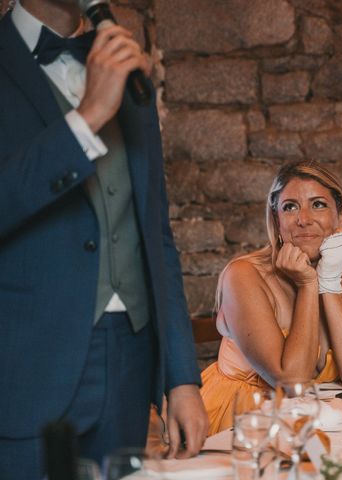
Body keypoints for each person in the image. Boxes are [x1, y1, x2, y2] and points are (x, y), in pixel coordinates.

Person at [0, 1, 208, 478]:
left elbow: (156, 234)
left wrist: (181, 378)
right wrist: (89, 114)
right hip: (27, 367)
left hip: (129, 362)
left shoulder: (129, 70)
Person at [200, 160, 342, 434]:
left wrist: (328, 282)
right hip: (243, 424)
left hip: (321, 421)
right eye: (290, 207)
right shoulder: (244, 275)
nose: (303, 219)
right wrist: (308, 283)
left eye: (318, 204)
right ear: (276, 219)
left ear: (340, 216)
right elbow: (292, 381)